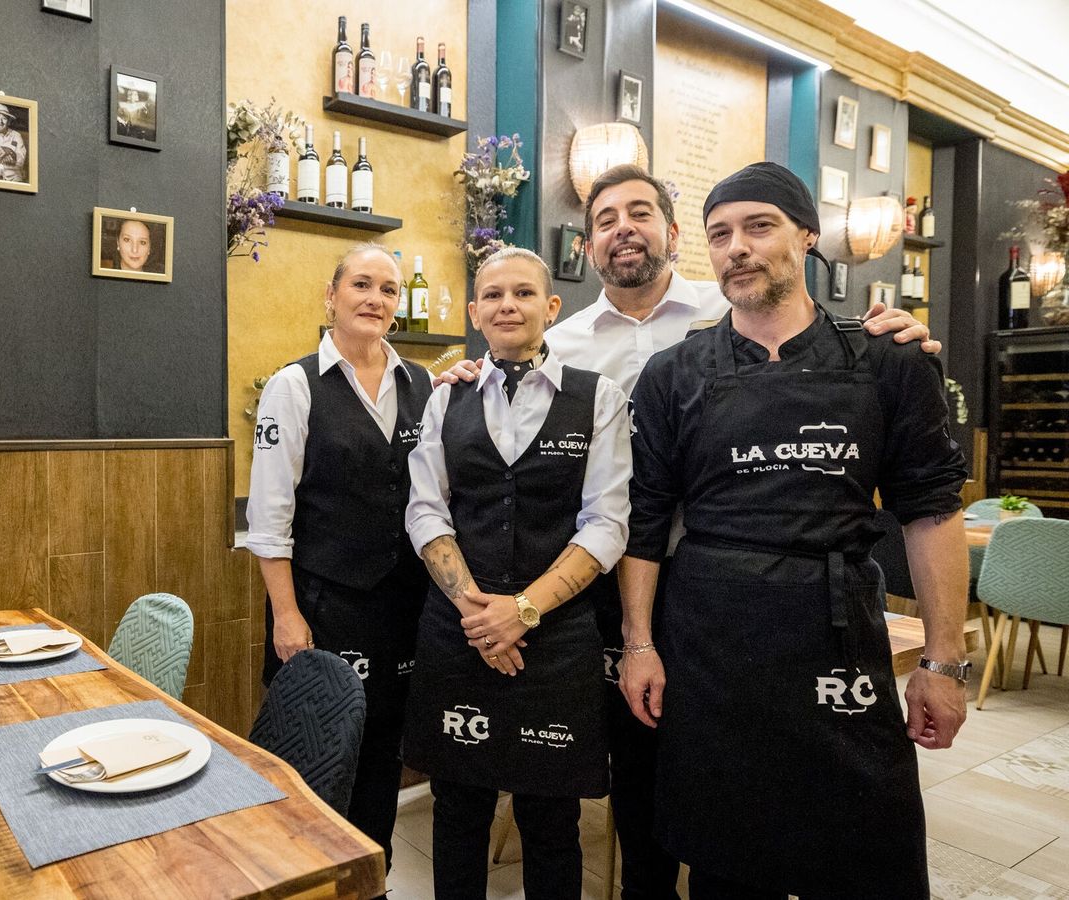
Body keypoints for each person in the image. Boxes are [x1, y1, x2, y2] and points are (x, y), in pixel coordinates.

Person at [436, 163, 940, 900]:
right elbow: (508, 416)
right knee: (653, 784)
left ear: (674, 234)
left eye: (640, 214)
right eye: (605, 220)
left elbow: (921, 488)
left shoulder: (736, 298)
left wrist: (896, 334)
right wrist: (458, 382)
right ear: (588, 246)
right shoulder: (559, 343)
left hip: (757, 590)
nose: (623, 230)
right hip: (614, 586)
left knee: (818, 806)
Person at [618, 161, 970, 898]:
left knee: (868, 854)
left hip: (835, 636)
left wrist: (943, 662)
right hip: (710, 643)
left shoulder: (888, 362)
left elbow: (932, 510)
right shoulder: (673, 374)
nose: (737, 248)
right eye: (720, 234)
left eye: (759, 226)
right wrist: (640, 644)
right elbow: (643, 523)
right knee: (726, 865)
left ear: (807, 235)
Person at [405, 247, 630, 900]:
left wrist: (523, 610)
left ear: (551, 307)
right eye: (494, 295)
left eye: (524, 293)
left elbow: (607, 523)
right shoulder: (445, 399)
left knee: (551, 817)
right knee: (458, 809)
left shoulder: (598, 397)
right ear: (475, 311)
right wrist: (480, 615)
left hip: (556, 640)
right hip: (459, 632)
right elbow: (425, 510)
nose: (508, 305)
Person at [246, 242, 433, 871]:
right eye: (361, 285)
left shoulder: (421, 383)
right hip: (324, 604)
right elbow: (270, 517)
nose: (375, 299)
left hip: (401, 606)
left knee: (383, 757)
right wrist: (286, 615)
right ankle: (307, 878)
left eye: (388, 289)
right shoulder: (294, 385)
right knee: (317, 757)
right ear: (331, 296)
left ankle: (372, 877)